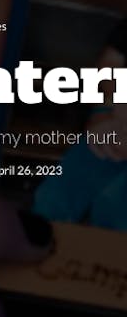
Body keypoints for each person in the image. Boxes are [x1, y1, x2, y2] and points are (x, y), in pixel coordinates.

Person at [33, 19, 127, 230]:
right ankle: (44, 247)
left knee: (114, 206)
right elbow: (111, 62)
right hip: (119, 121)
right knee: (55, 197)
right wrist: (105, 111)